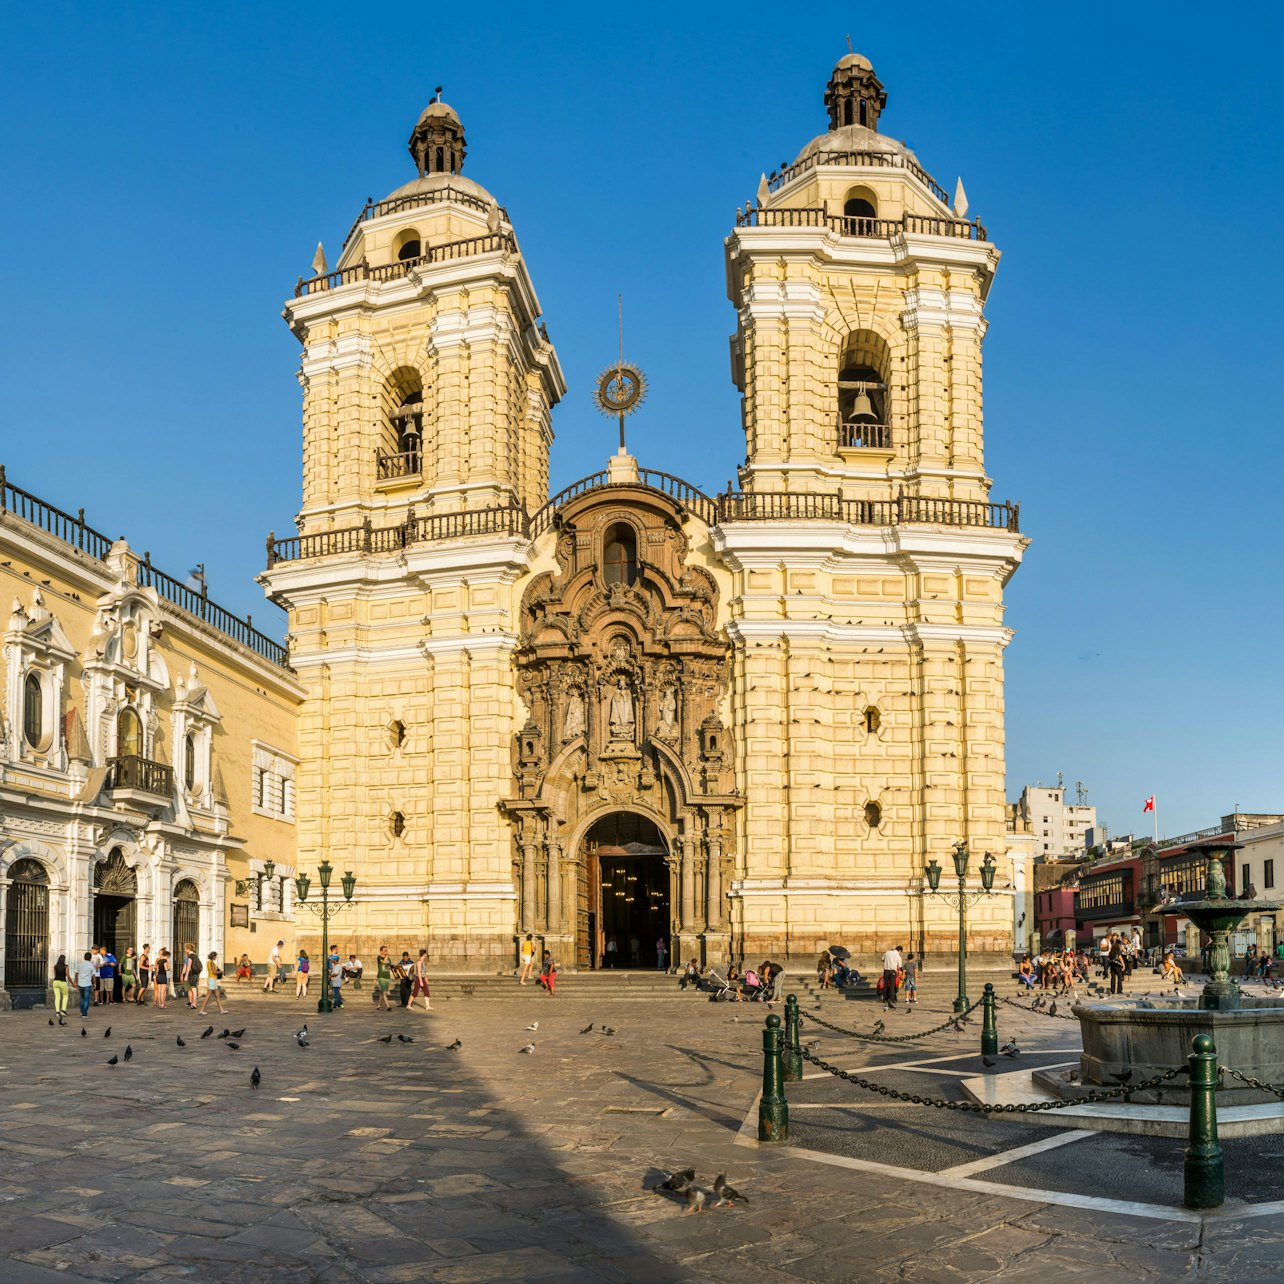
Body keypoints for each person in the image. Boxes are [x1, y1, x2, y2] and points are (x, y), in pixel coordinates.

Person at [881, 943, 903, 1010]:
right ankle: (892, 999)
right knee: (892, 986)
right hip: (893, 971)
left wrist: (887, 962)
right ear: (899, 951)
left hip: (886, 971)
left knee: (885, 985)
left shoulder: (887, 952)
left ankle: (885, 999)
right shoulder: (898, 956)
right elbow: (899, 966)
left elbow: (882, 959)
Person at [51, 954, 70, 1023]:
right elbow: (67, 975)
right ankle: (63, 1011)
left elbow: (55, 975)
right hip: (63, 982)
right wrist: (72, 983)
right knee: (65, 996)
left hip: (55, 982)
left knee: (57, 997)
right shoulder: (66, 966)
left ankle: (57, 1012)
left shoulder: (55, 966)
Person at [75, 951, 94, 1018]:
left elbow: (76, 973)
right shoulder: (91, 965)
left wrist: (76, 981)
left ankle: (82, 1009)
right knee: (86, 998)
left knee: (82, 997)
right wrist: (94, 983)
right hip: (88, 983)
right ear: (90, 958)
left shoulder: (79, 964)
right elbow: (93, 975)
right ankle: (84, 1013)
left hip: (80, 983)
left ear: (84, 957)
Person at [373, 945, 393, 1011]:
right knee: (384, 992)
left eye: (386, 950)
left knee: (382, 992)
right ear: (381, 951)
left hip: (387, 977)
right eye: (385, 950)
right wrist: (387, 956)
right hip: (381, 977)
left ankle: (378, 1005)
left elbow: (389, 967)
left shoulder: (389, 959)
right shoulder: (379, 957)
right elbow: (383, 962)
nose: (386, 952)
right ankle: (388, 1006)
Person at [183, 945, 202, 1010]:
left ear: (188, 949)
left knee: (193, 989)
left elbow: (188, 967)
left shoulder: (190, 957)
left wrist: (186, 976)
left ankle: (194, 1004)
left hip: (192, 974)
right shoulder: (195, 956)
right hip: (196, 974)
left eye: (185, 948)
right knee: (194, 988)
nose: (185, 950)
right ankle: (193, 1003)